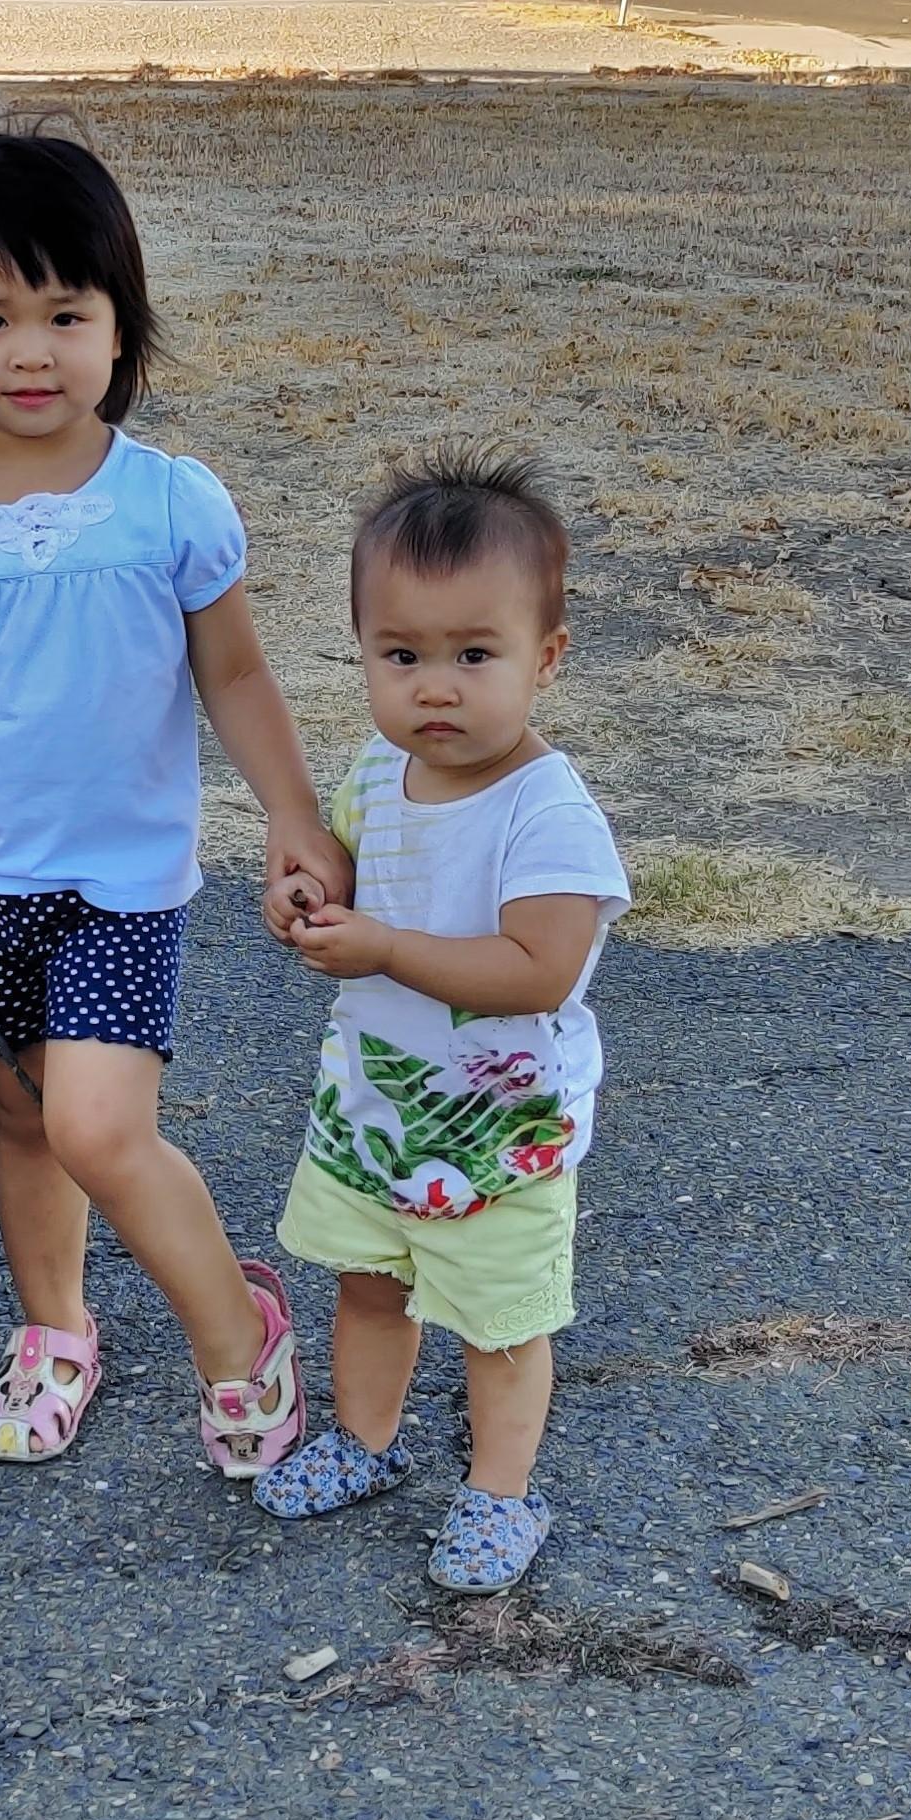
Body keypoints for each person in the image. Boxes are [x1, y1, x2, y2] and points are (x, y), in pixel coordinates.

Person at [0, 121, 353, 1475]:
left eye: (67, 314)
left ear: (121, 328)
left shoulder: (169, 506)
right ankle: (54, 1330)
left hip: (121, 893)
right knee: (22, 1121)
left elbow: (236, 675)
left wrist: (296, 821)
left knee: (97, 1126)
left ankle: (237, 1346)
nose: (31, 351)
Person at [250, 447, 629, 1591]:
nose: (435, 687)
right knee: (367, 1283)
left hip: (498, 1132)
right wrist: (312, 899)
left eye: (475, 655)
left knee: (500, 1320)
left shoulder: (546, 813)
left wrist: (382, 949)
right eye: (401, 655)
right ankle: (365, 1442)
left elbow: (540, 969)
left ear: (545, 659)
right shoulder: (379, 769)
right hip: (378, 1107)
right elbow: (359, 882)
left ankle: (502, 1493)